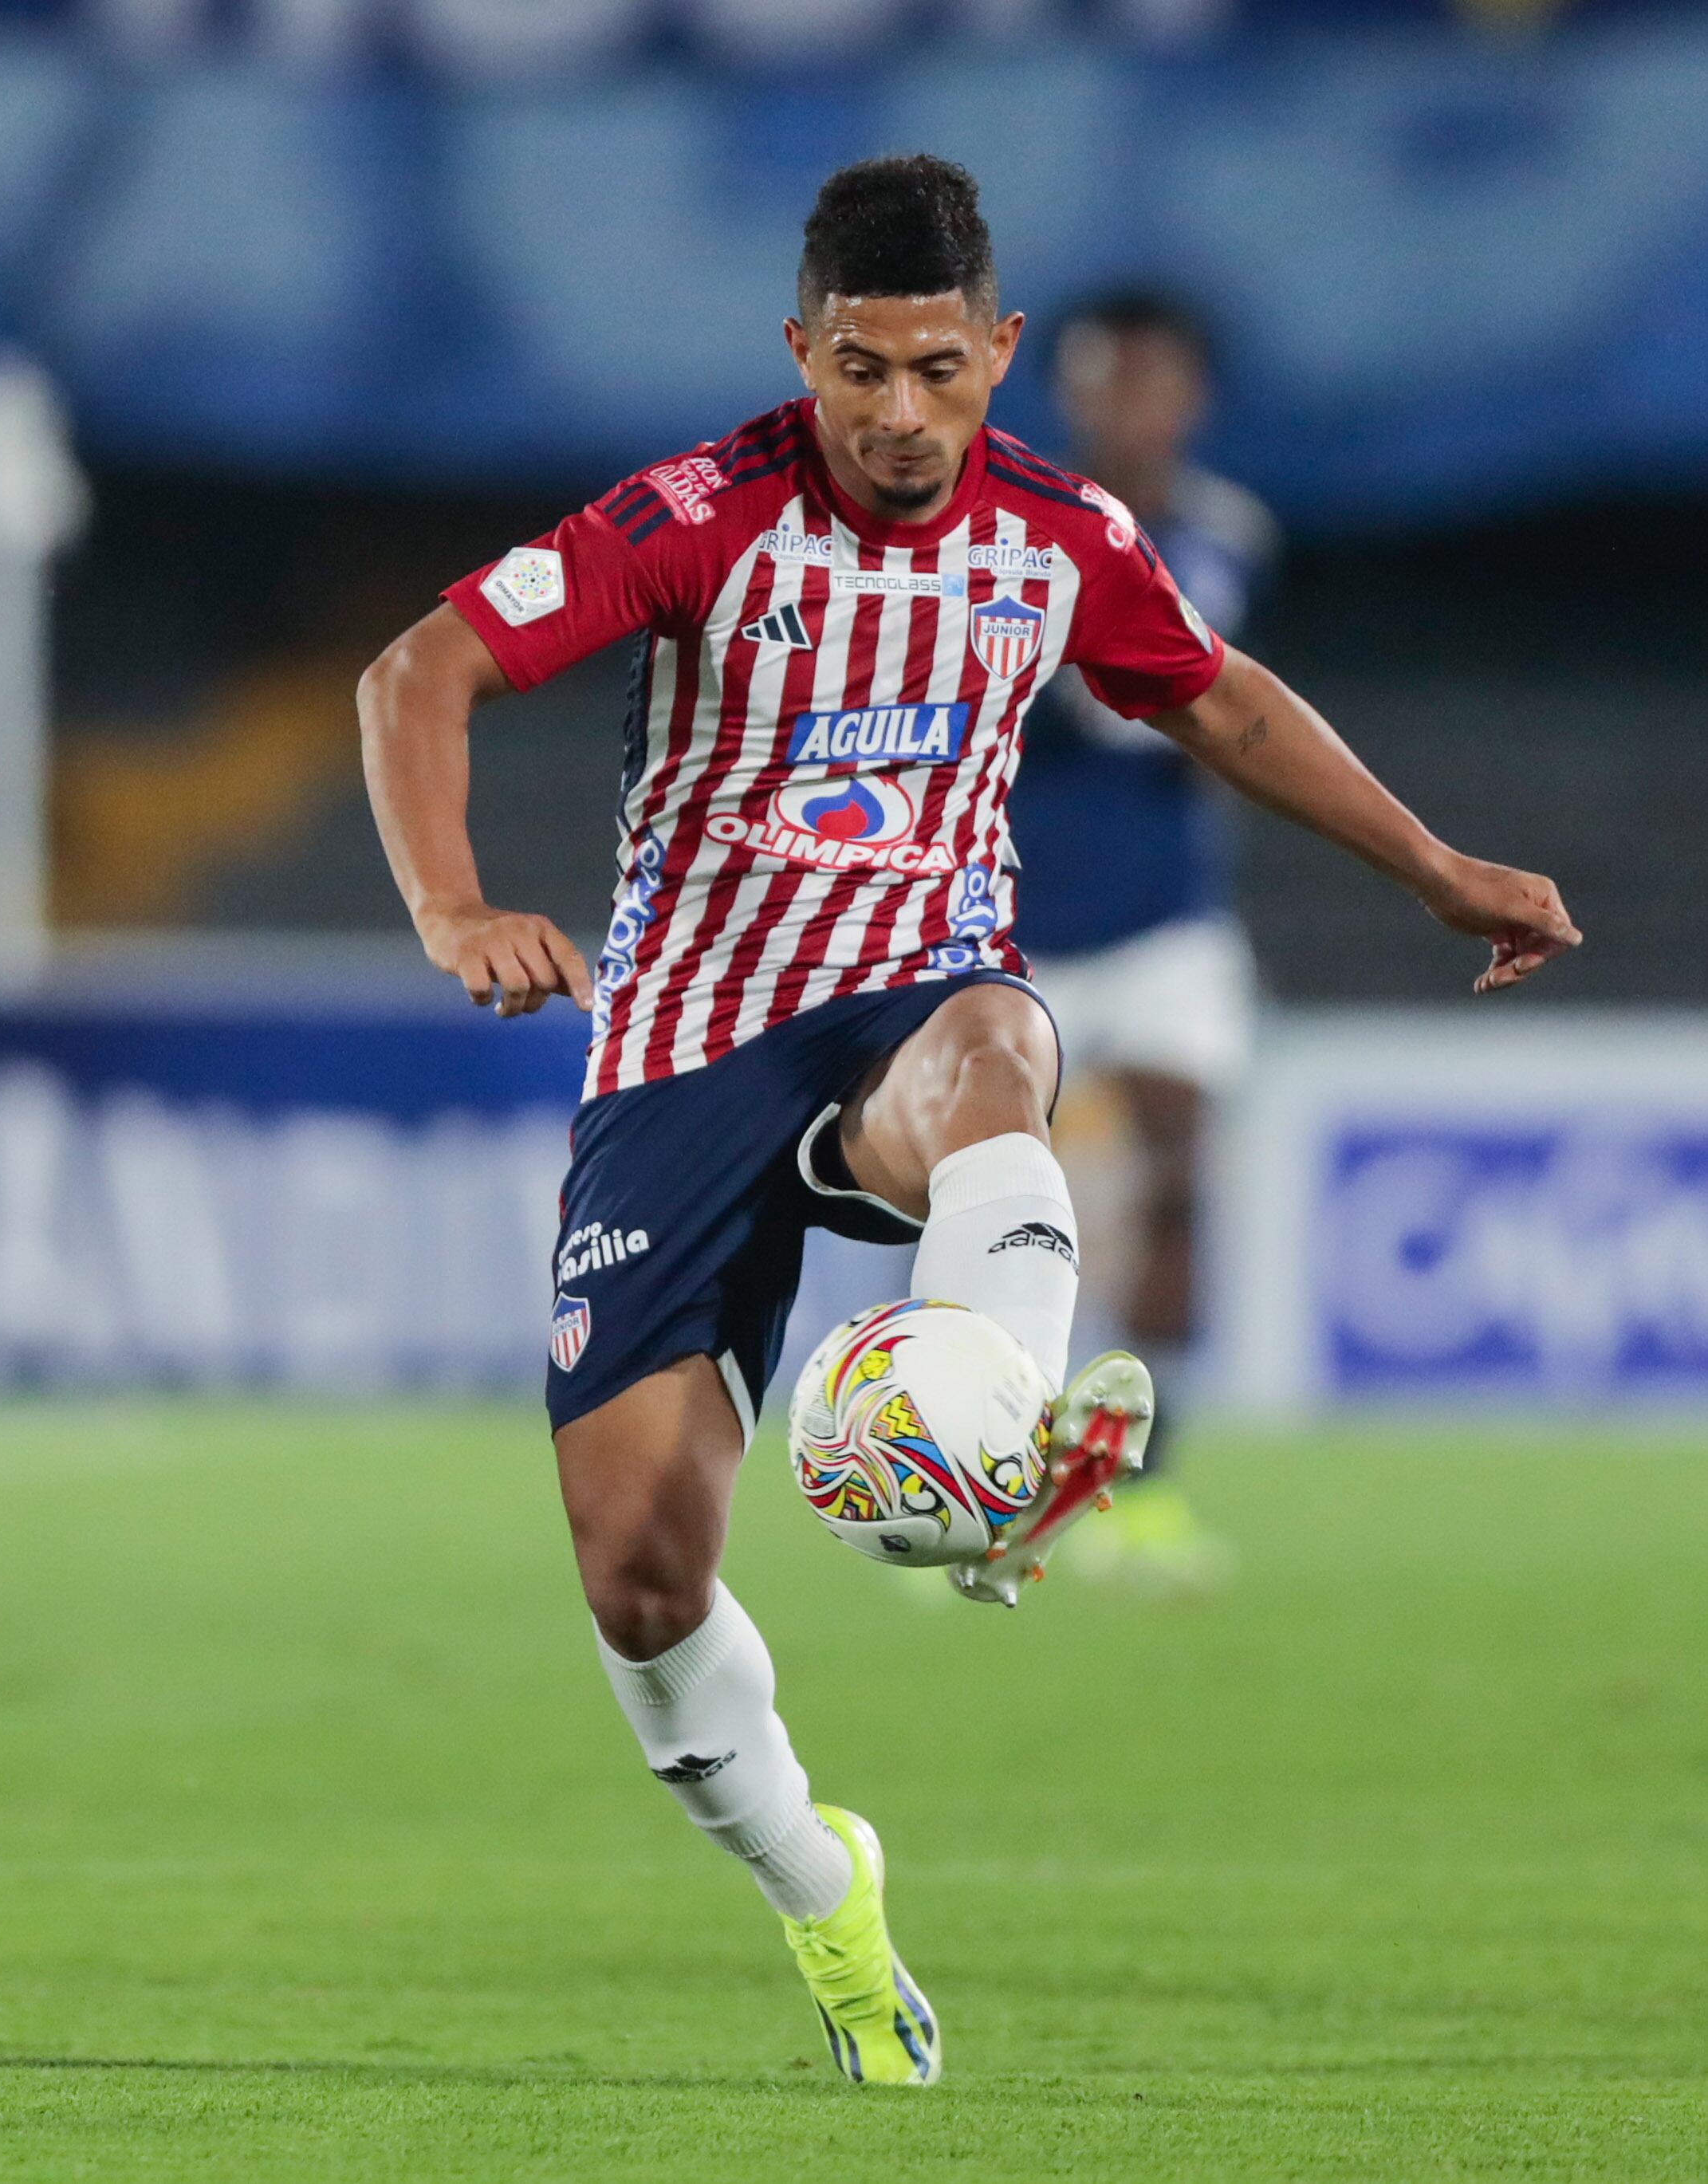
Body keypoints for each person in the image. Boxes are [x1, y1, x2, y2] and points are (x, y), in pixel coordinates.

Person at [355, 156, 1574, 2084]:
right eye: (861, 368)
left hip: (919, 992)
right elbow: (417, 667)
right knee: (641, 1578)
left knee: (999, 1055)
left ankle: (991, 1441)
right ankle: (822, 1891)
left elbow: (1219, 699)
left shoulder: (1061, 534)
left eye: (938, 369)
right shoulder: (694, 517)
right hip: (682, 1053)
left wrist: (1431, 865)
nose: (901, 415)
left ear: (998, 353)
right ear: (800, 350)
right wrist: (448, 903)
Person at [1004, 291, 1274, 1588]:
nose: (1124, 407)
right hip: (1006, 928)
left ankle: (1143, 1492)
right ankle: (968, 1488)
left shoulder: (1219, 535)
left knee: (1178, 1181)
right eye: (1100, 382)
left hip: (1165, 923)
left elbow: (1143, 699)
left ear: (1192, 398)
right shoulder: (996, 530)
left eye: (1148, 382)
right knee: (986, 1214)